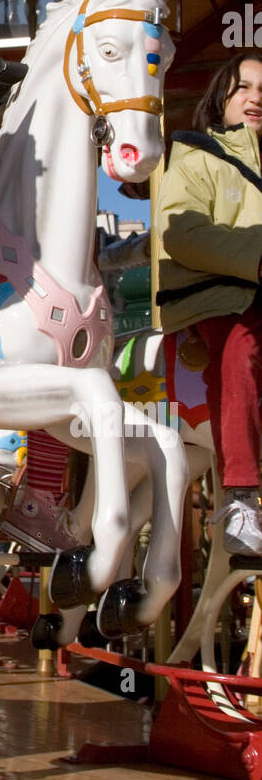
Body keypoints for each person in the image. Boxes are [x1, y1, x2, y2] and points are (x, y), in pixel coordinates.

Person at [155, 52, 262, 557]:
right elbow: (184, 232)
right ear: (221, 98)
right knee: (242, 347)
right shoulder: (197, 155)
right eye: (244, 88)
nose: (256, 97)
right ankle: (241, 494)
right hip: (223, 293)